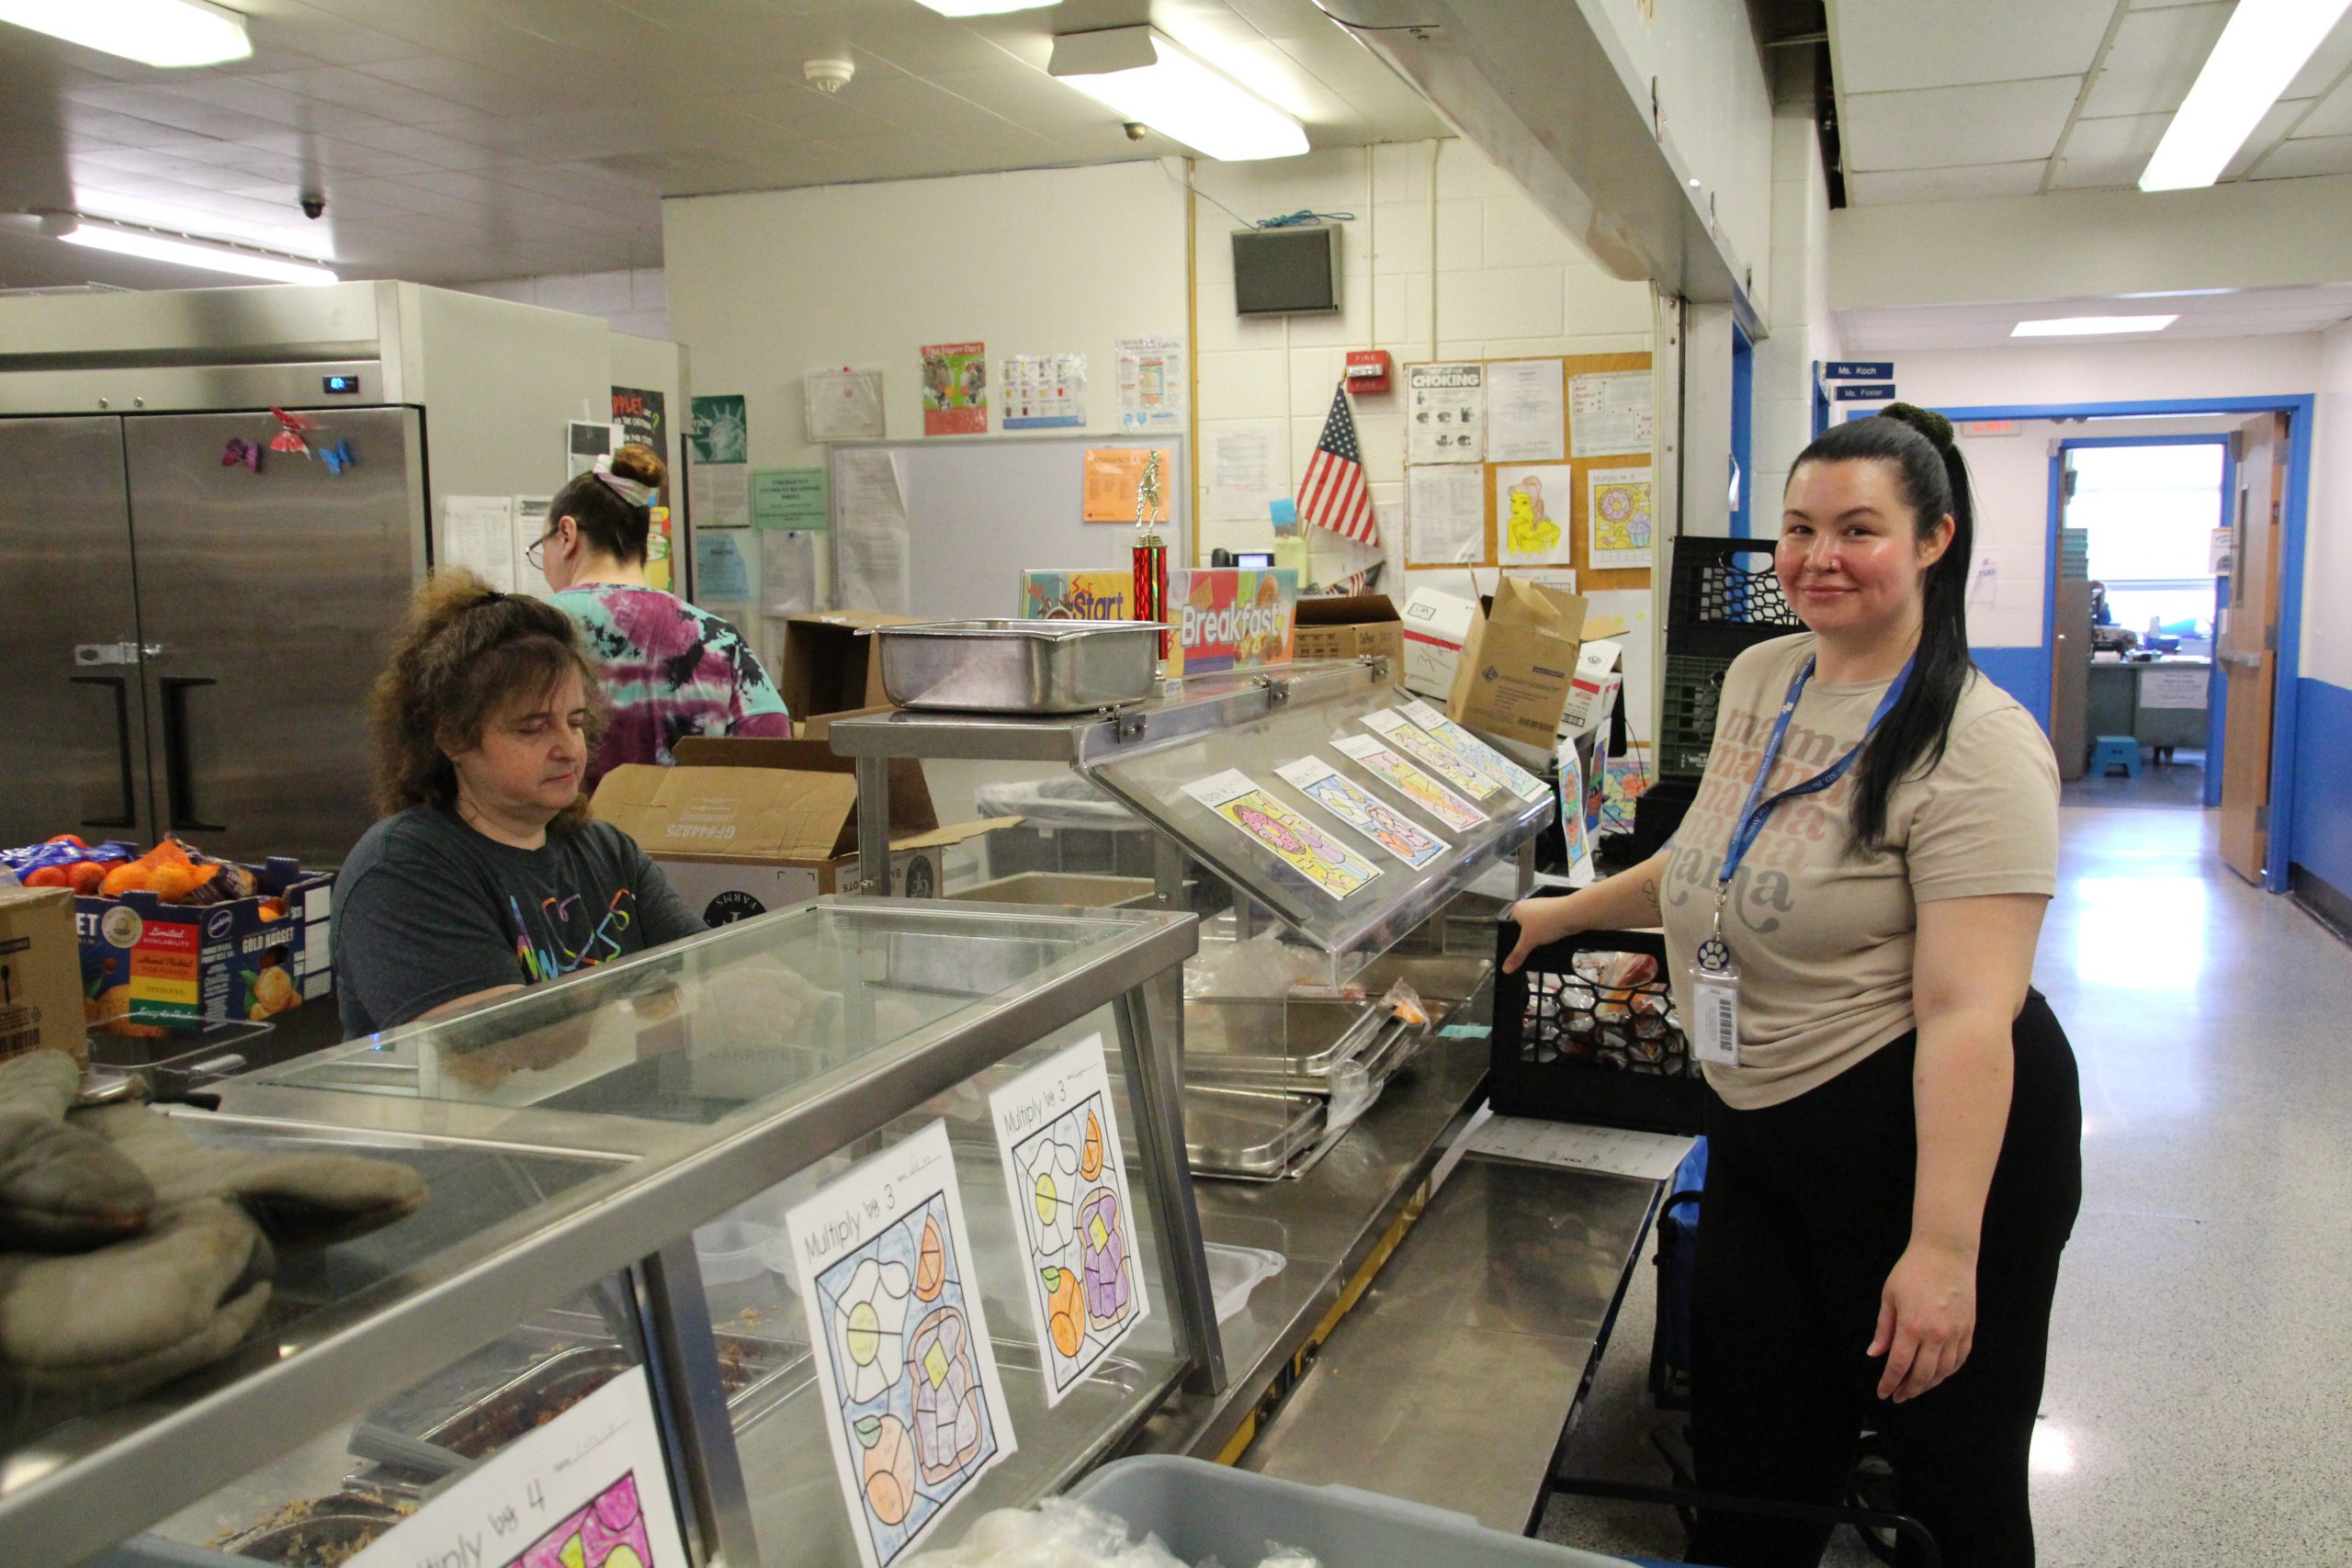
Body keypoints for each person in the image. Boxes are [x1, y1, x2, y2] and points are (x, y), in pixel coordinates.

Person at [1506, 405, 2081, 1567]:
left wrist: (1942, 1253)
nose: (1819, 558)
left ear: (1932, 540)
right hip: (1760, 1127)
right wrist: (1568, 914)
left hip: (1918, 1139)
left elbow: (1972, 1015)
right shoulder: (1765, 673)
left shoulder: (1977, 742)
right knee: (1754, 1461)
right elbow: (1713, 851)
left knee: (1950, 1483)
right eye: (1799, 529)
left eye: (1858, 528)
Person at [332, 571, 709, 1037]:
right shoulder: (401, 871)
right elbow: (494, 1055)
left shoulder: (607, 852)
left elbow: (715, 969)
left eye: (574, 722)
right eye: (533, 728)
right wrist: (691, 1006)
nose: (570, 749)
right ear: (453, 738)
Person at [530, 443, 790, 789]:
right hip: (686, 838)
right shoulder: (716, 638)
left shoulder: (528, 634)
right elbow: (772, 743)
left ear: (567, 534)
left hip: (563, 840)